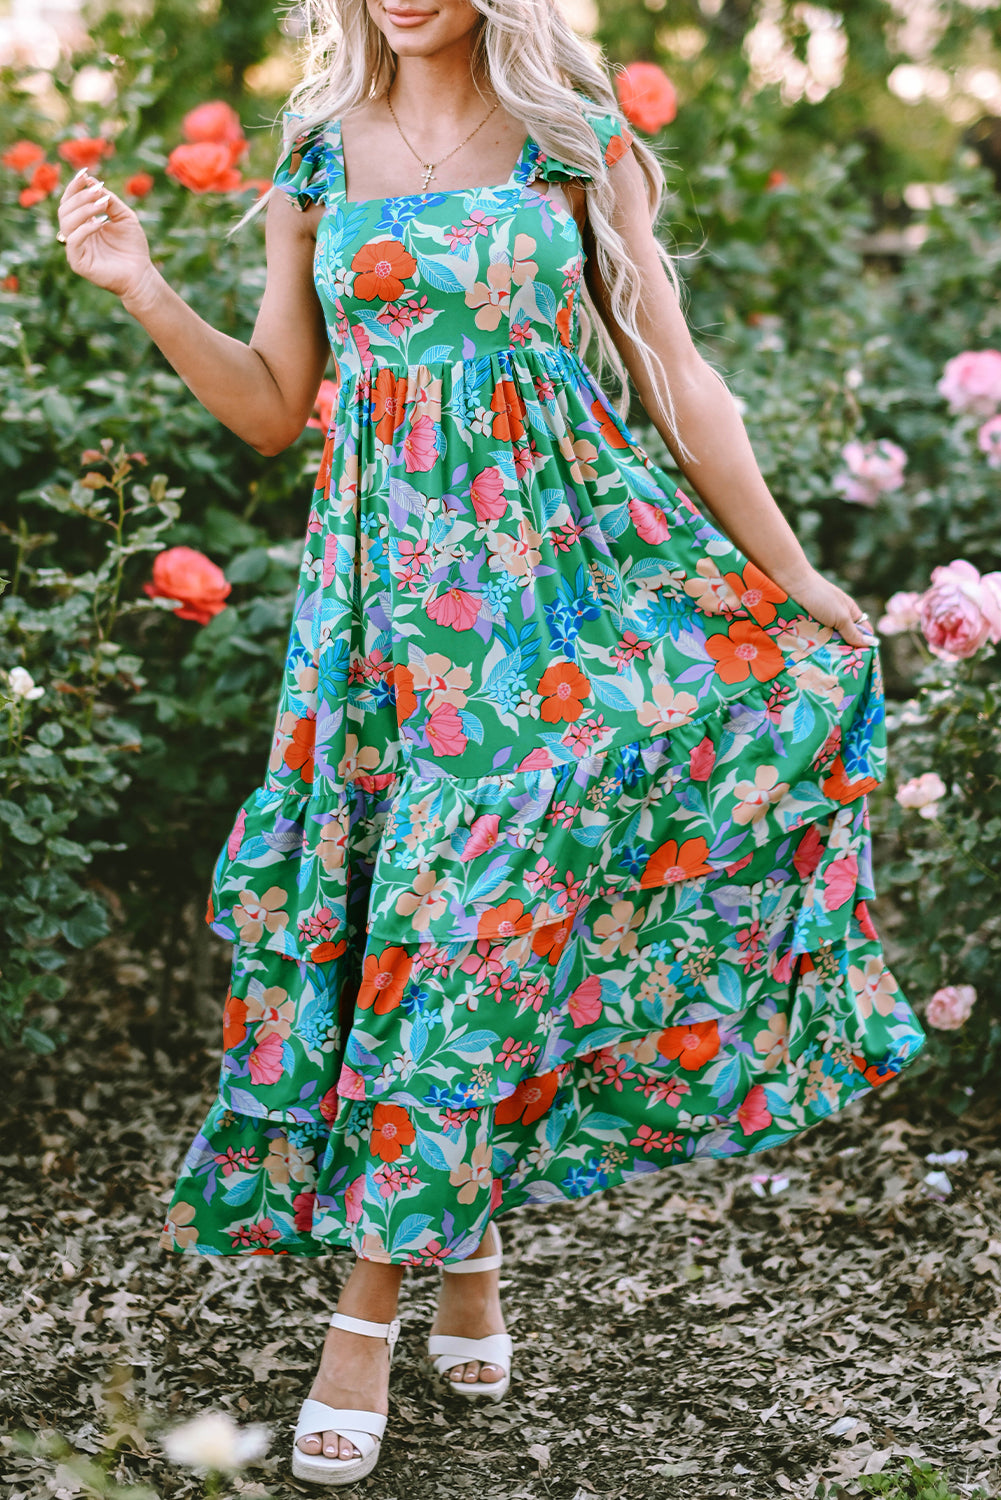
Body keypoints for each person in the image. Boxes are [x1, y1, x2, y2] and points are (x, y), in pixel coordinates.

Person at [58, 0, 927, 1485]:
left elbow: (676, 376)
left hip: (566, 589)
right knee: (439, 928)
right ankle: (464, 1242)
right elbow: (274, 408)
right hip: (387, 610)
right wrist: (140, 285)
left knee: (469, 917)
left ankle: (361, 1321)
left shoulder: (574, 141)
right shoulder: (316, 155)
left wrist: (789, 577)